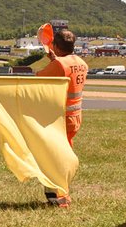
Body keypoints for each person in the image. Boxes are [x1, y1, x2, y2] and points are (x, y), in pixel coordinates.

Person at [35, 27, 88, 207]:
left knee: (56, 157)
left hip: (62, 119)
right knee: (63, 154)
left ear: (56, 46)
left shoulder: (59, 64)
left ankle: (60, 197)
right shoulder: (81, 62)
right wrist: (54, 60)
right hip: (75, 117)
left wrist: (53, 62)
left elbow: (39, 78)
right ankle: (58, 193)